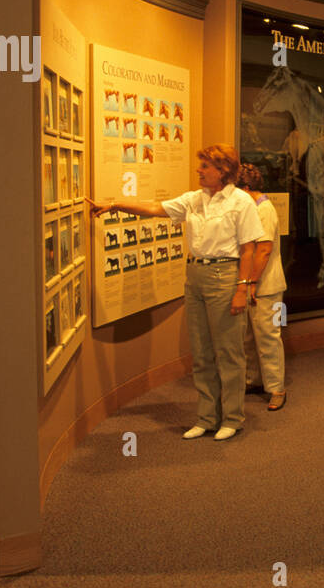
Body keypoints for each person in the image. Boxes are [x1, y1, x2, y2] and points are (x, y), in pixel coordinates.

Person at [87, 143, 262, 441]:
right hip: (194, 275)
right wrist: (116, 204)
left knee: (229, 352)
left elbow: (248, 249)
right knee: (202, 352)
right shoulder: (194, 200)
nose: (199, 170)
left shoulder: (241, 202)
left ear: (222, 170)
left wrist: (242, 288)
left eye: (205, 165)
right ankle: (207, 418)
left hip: (224, 275)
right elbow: (157, 209)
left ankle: (232, 417)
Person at [237, 163, 287, 410]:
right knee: (249, 337)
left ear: (246, 188)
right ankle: (253, 380)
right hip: (252, 284)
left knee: (268, 337)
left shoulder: (264, 210)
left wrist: (252, 282)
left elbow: (264, 249)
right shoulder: (252, 209)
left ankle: (276, 387)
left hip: (266, 284)